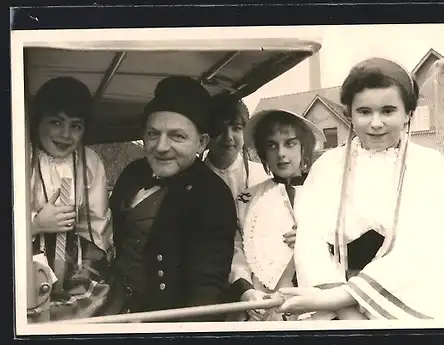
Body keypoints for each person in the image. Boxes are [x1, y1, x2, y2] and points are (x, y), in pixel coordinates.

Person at [276, 57, 444, 320]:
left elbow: (419, 248)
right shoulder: (327, 166)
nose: (376, 123)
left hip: (400, 301)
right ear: (349, 114)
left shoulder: (428, 165)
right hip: (332, 302)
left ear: (408, 113)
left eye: (388, 110)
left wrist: (344, 297)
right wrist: (338, 306)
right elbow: (309, 238)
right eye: (364, 112)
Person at [101, 76, 238, 321]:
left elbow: (207, 289)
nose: (161, 146)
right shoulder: (133, 173)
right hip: (114, 303)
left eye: (177, 136)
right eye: (153, 134)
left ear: (201, 143)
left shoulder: (213, 195)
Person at [227, 109, 326, 321]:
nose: (281, 153)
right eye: (272, 145)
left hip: (321, 305)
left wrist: (316, 238)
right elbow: (237, 254)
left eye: (290, 143)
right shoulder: (247, 200)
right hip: (266, 306)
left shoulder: (327, 192)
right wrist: (247, 292)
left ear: (304, 147)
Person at [29, 76, 114, 320]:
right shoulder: (21, 155)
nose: (66, 134)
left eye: (76, 126)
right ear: (37, 122)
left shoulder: (90, 162)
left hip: (74, 271)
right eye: (56, 122)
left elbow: (97, 224)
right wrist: (35, 224)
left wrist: (85, 272)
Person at [203, 94, 269, 200]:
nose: (228, 137)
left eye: (237, 128)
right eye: (220, 128)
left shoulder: (261, 177)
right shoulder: (191, 178)